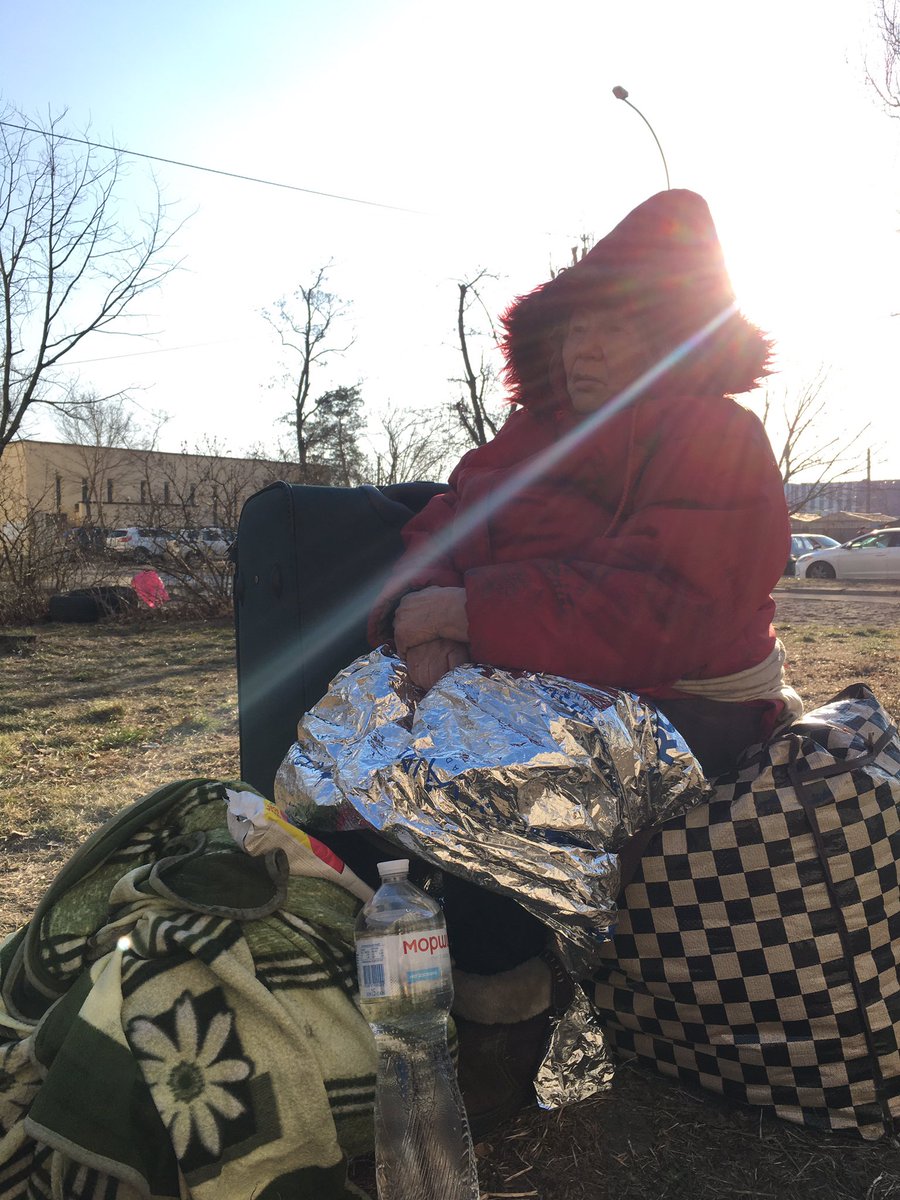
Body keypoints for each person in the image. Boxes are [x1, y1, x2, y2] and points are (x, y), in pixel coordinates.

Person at [362, 188, 802, 1134]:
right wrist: (422, 618)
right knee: (356, 747)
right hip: (532, 674)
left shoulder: (716, 437)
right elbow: (445, 527)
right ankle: (363, 962)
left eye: (615, 328)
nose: (584, 350)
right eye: (571, 331)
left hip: (686, 701)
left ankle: (500, 1040)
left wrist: (477, 614)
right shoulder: (524, 440)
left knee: (496, 790)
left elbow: (668, 612)